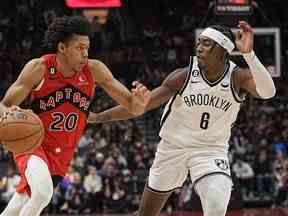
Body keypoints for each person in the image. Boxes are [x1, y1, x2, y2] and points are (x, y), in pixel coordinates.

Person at [88, 21, 276, 216]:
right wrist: (98, 117)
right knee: (146, 213)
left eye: (206, 43)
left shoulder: (238, 77)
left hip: (210, 151)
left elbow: (268, 92)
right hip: (173, 148)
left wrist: (248, 54)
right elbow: (139, 108)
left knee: (217, 205)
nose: (199, 47)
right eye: (199, 42)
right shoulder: (182, 76)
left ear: (222, 50)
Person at [0, 15, 150, 216]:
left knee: (21, 201)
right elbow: (4, 105)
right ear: (62, 48)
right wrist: (10, 113)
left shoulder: (94, 70)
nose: (85, 54)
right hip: (33, 142)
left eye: (87, 48)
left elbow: (133, 108)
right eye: (79, 48)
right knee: (42, 194)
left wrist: (140, 103)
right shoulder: (40, 68)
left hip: (62, 152)